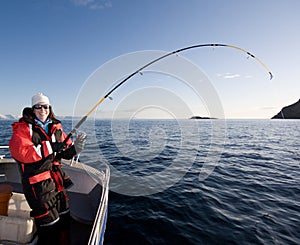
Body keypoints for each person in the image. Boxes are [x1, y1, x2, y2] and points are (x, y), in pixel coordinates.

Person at [9, 93, 87, 245]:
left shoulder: (56, 128)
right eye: (38, 106)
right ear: (33, 109)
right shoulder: (23, 129)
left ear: (49, 108)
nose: (42, 109)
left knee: (64, 215)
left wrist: (77, 147)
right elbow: (21, 152)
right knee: (49, 224)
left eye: (45, 106)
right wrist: (49, 146)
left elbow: (65, 152)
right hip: (37, 185)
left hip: (56, 180)